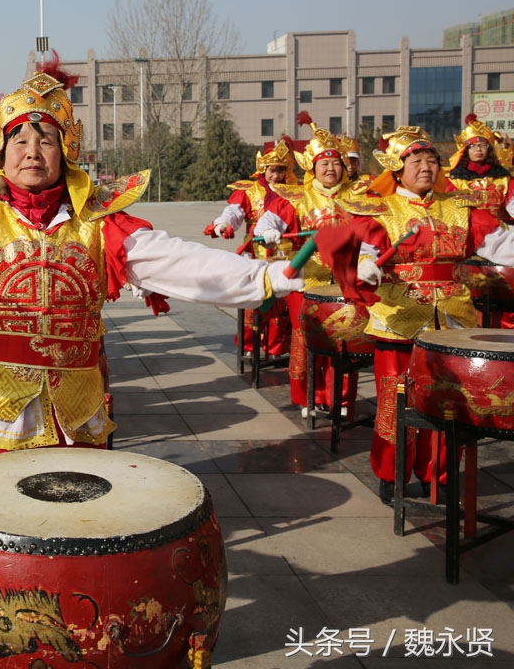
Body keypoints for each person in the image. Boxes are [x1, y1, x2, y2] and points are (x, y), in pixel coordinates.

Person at [0, 55, 304, 471]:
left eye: (46, 139)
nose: (32, 149)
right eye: (18, 138)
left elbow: (177, 260)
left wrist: (263, 277)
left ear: (65, 151)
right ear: (1, 154)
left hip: (75, 418)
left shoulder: (99, 222)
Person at [336, 126, 514, 503]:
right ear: (397, 171)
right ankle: (392, 473)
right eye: (416, 161)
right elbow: (364, 248)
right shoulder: (381, 209)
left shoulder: (460, 208)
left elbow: (503, 243)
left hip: (452, 321)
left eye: (432, 160)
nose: (426, 167)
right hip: (400, 317)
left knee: (450, 401)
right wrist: (366, 265)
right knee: (393, 400)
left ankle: (441, 475)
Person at [253, 113, 382, 414]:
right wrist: (267, 231)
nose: (330, 168)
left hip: (347, 279)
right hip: (307, 280)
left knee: (346, 340)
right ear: (313, 167)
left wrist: (368, 257)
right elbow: (267, 221)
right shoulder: (297, 198)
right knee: (306, 338)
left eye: (336, 162)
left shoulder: (358, 197)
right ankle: (309, 396)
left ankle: (341, 399)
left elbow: (376, 233)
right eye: (324, 163)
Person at [204, 140, 298, 359]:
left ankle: (276, 346)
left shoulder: (294, 193)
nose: (276, 175)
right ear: (263, 169)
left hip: (283, 253)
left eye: (281, 170)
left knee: (280, 301)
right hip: (254, 253)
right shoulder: (249, 190)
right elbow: (234, 212)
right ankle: (248, 343)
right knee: (251, 301)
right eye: (272, 170)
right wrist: (224, 223)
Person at [445, 114, 514, 221]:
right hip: (469, 231)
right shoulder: (454, 180)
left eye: (482, 145)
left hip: (501, 232)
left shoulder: (504, 178)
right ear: (465, 151)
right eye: (473, 146)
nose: (478, 149)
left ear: (489, 149)